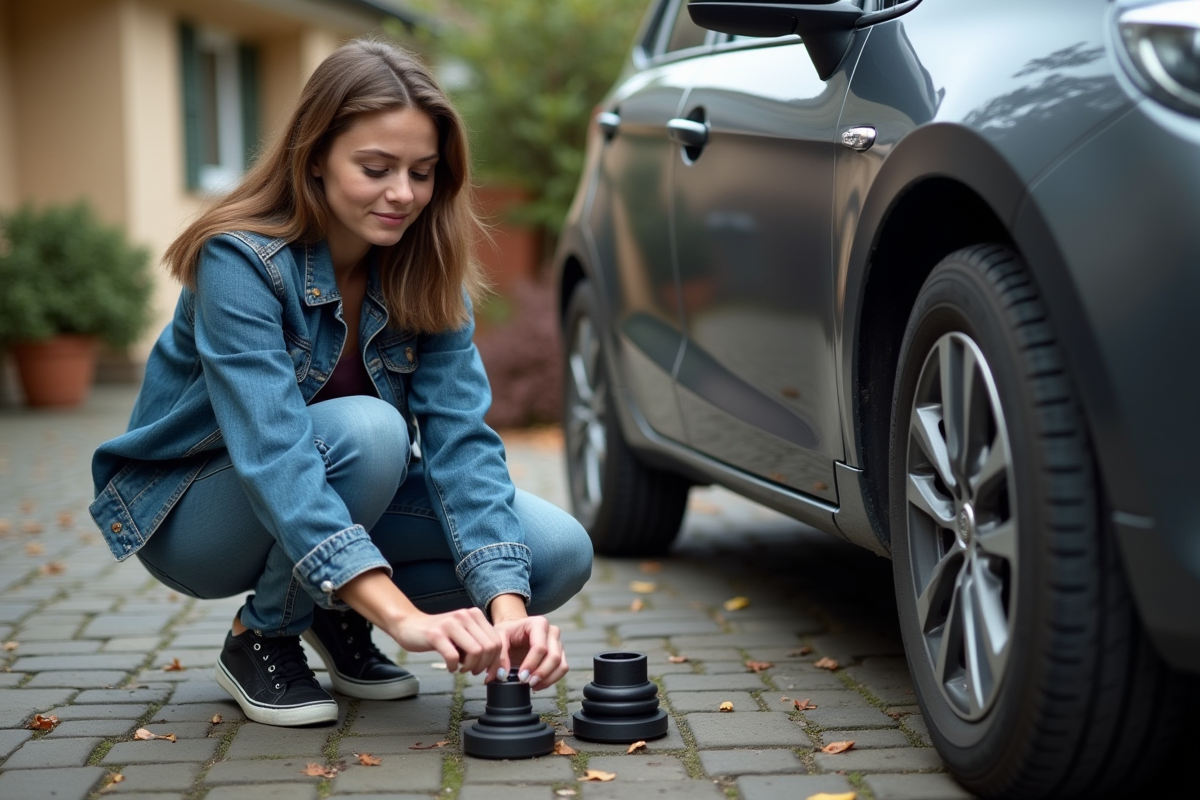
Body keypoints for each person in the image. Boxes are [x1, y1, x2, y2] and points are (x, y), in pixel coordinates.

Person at [88, 39, 593, 727]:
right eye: (377, 168)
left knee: (556, 555)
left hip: (333, 488)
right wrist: (403, 617)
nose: (403, 194)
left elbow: (462, 445)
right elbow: (274, 452)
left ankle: (331, 610)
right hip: (196, 512)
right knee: (370, 431)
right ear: (316, 155)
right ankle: (262, 635)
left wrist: (509, 613)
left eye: (423, 172)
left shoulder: (426, 269)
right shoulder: (240, 261)